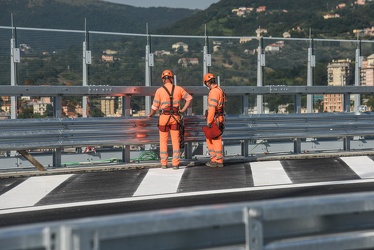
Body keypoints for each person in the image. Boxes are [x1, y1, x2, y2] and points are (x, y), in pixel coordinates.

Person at [147, 70, 193, 170]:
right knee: (175, 140)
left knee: (163, 140)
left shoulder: (159, 90)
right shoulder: (178, 89)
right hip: (175, 117)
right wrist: (183, 110)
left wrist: (150, 114)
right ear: (172, 79)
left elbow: (155, 107)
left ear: (163, 80)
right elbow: (189, 98)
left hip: (164, 117)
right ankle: (175, 163)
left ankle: (164, 163)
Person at [204, 73, 226, 168]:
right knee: (215, 138)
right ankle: (216, 159)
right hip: (219, 117)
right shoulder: (219, 90)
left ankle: (217, 160)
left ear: (207, 83)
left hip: (214, 119)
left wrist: (209, 121)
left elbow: (212, 108)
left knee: (214, 139)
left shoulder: (213, 92)